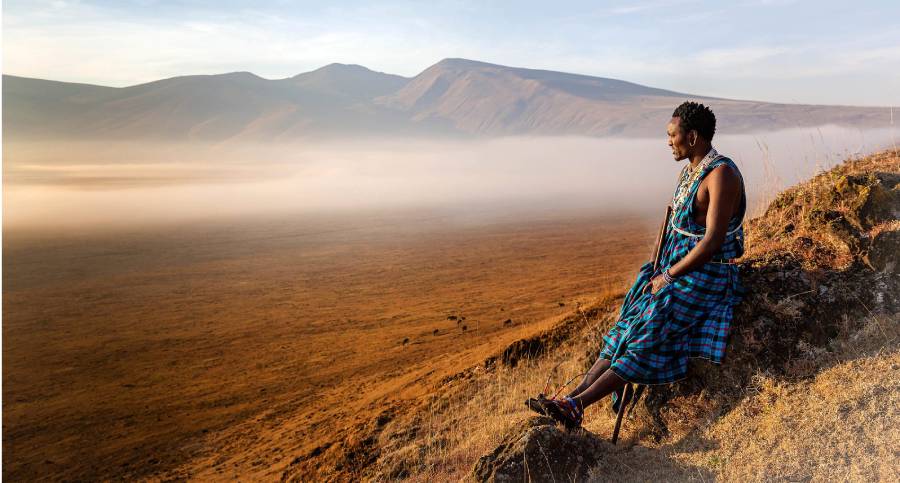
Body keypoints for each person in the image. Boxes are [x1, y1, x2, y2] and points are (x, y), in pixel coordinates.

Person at [533, 101, 747, 428]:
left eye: (671, 135)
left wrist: (669, 275)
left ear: (691, 137)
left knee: (648, 331)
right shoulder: (689, 171)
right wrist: (660, 269)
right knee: (627, 326)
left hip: (708, 274)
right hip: (675, 267)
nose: (667, 142)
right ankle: (570, 399)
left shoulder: (722, 175)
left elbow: (712, 240)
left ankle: (576, 405)